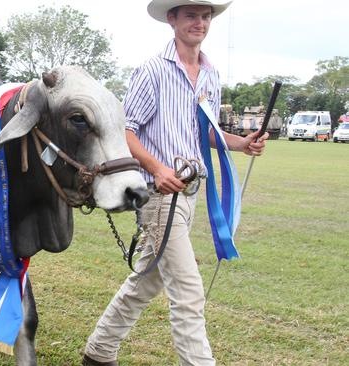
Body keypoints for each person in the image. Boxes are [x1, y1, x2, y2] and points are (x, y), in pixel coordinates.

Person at [82, 1, 268, 365]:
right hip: (159, 194)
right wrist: (156, 168)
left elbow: (206, 134)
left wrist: (242, 143)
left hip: (192, 192)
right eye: (190, 16)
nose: (199, 23)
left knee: (147, 281)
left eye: (205, 16)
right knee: (188, 290)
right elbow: (126, 131)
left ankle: (99, 351)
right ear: (172, 20)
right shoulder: (151, 71)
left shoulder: (211, 75)